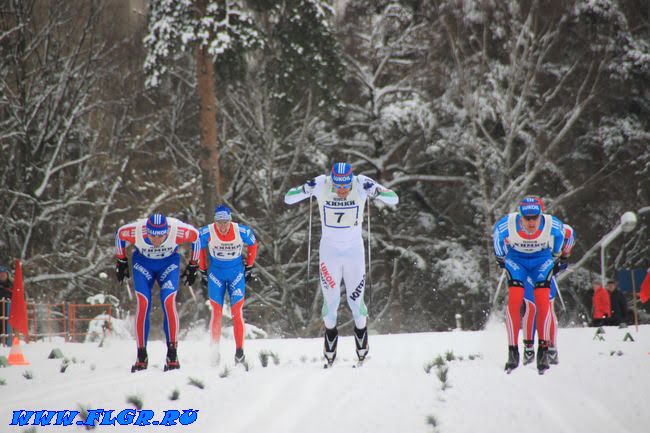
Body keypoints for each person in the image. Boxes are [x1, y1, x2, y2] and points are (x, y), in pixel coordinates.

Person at [284, 162, 398, 365]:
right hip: (330, 253)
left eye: (346, 185)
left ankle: (362, 343)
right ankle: (330, 345)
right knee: (331, 303)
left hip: (354, 252)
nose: (342, 190)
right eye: (338, 185)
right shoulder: (322, 183)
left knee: (356, 302)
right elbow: (288, 197)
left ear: (351, 180)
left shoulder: (361, 182)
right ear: (333, 181)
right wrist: (306, 188)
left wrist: (376, 191)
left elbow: (393, 198)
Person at [115, 213, 200, 372]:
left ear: (166, 231)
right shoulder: (136, 230)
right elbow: (119, 234)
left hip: (168, 264)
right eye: (152, 235)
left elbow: (196, 236)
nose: (156, 240)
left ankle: (172, 354)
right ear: (147, 231)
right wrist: (121, 260)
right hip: (143, 264)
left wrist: (193, 265)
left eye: (161, 236)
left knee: (168, 302)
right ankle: (141, 355)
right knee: (143, 303)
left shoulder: (177, 230)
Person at [493, 196, 565, 373]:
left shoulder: (551, 223)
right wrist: (500, 257)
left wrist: (557, 255)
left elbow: (561, 235)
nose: (531, 223)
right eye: (527, 218)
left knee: (543, 302)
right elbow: (497, 235)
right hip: (517, 260)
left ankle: (543, 350)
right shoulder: (509, 223)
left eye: (535, 218)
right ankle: (513, 351)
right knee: (515, 300)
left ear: (541, 214)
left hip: (541, 260)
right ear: (520, 216)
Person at [198, 204, 258, 365]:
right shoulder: (207, 232)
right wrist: (202, 269)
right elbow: (198, 247)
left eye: (225, 222)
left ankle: (239, 352)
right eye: (219, 223)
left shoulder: (241, 231)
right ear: (215, 222)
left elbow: (253, 244)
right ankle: (214, 351)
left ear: (230, 220)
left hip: (236, 274)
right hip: (216, 274)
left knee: (236, 311)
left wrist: (249, 266)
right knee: (216, 312)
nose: (222, 227)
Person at [522, 223, 574, 365]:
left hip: (545, 271)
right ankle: (530, 348)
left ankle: (550, 348)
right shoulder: (520, 226)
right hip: (529, 272)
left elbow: (569, 234)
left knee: (546, 308)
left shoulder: (552, 225)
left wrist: (563, 257)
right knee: (532, 307)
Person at [0, 265, 12, 346]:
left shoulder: (11, 285)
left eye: (4, 274)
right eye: (0, 274)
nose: (2, 276)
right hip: (1, 311)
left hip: (9, 312)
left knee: (7, 329)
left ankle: (7, 342)